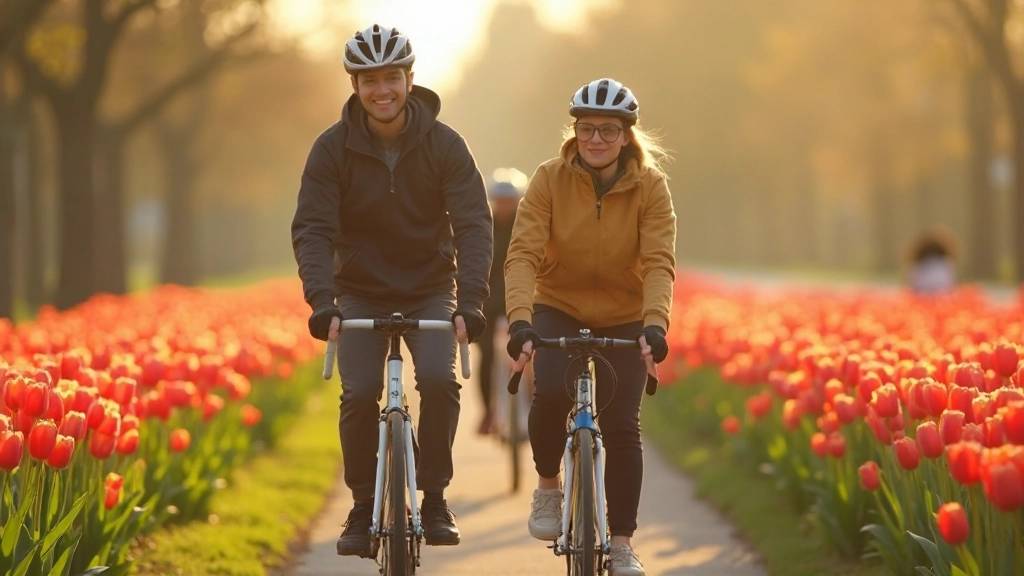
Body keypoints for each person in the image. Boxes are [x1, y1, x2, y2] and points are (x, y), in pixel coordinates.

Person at [290, 24, 492, 558]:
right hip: (358, 292)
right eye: (371, 80)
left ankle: (435, 497)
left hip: (429, 287)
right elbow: (312, 227)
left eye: (393, 78)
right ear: (355, 86)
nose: (383, 90)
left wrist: (470, 300)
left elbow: (473, 223)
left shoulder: (446, 145)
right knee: (357, 394)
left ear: (409, 79)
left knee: (438, 380)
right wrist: (322, 301)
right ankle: (361, 504)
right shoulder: (330, 150)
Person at [503, 78, 676, 576]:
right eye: (586, 129)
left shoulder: (651, 186)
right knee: (552, 395)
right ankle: (548, 487)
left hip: (624, 312)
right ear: (574, 131)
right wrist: (520, 320)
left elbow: (659, 261)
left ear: (626, 136)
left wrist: (654, 324)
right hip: (558, 304)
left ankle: (621, 543)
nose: (595, 139)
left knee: (623, 426)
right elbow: (522, 256)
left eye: (607, 129)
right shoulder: (549, 178)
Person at [476, 167, 528, 435]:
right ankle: (488, 411)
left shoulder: (528, 225)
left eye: (510, 201)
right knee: (486, 355)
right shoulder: (483, 225)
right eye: (501, 201)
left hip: (521, 298)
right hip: (489, 299)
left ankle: (531, 404)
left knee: (532, 352)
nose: (505, 206)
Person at [905, 226, 958, 294]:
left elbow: (912, 284)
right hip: (942, 296)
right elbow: (950, 284)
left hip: (921, 295)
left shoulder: (917, 265)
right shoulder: (945, 264)